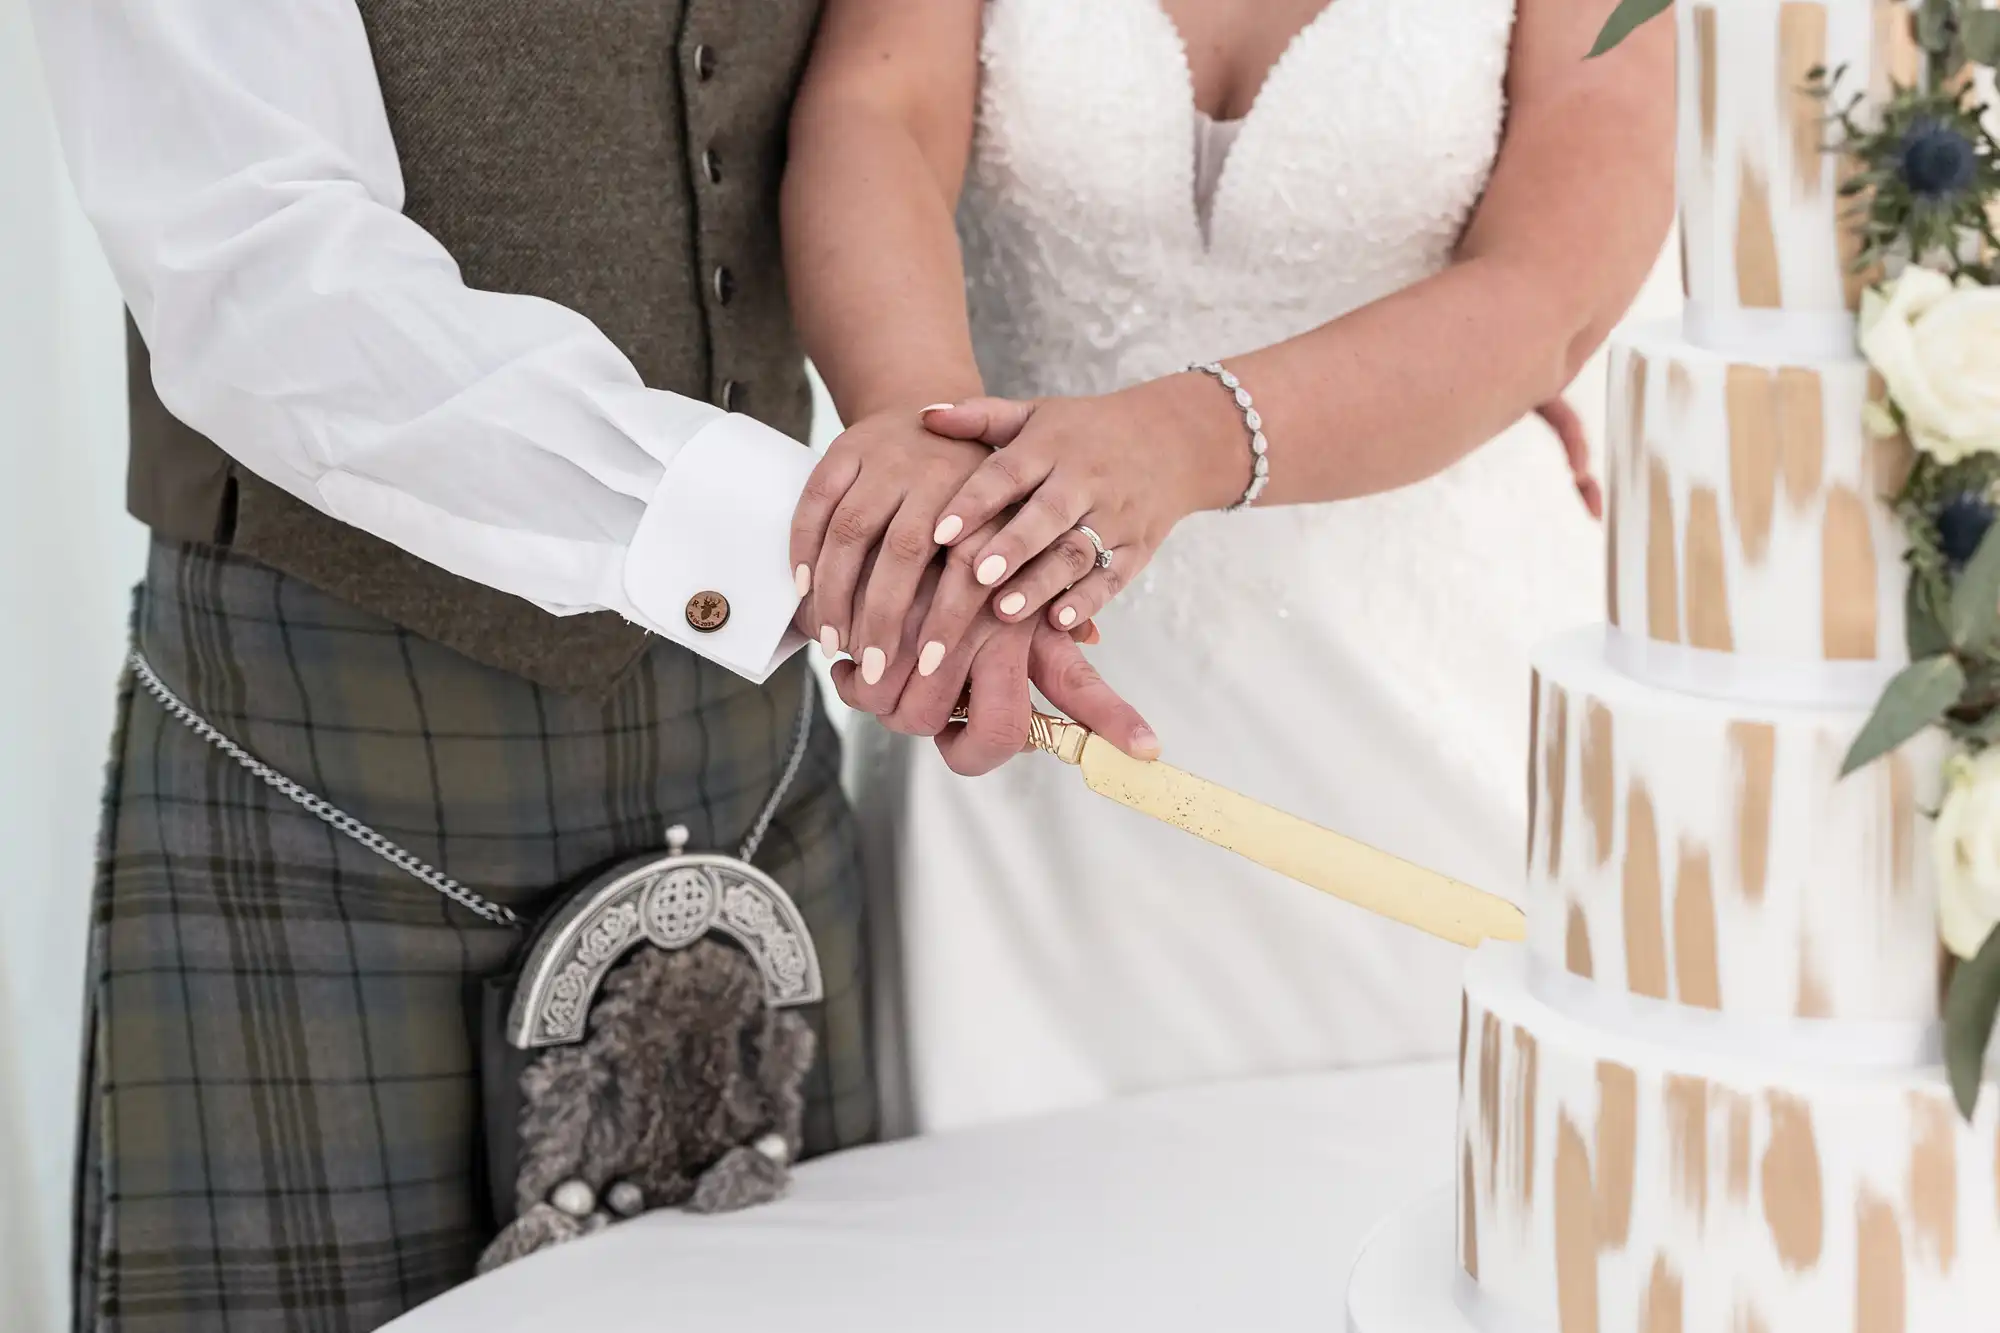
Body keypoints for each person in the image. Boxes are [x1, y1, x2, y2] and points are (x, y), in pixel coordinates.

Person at [27, 0, 1153, 1327]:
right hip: (324, 754)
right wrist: (811, 544)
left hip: (751, 758)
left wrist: (925, 532)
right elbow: (251, 259)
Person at [783, 0, 1674, 1130]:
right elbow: (877, 112)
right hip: (1017, 694)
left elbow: (1552, 286)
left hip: (1432, 693)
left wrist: (1185, 439)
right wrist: (920, 450)